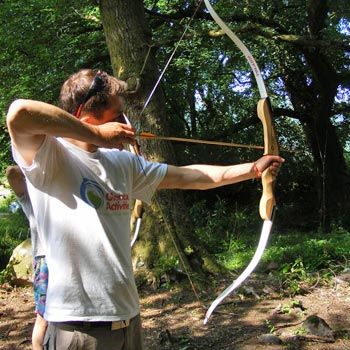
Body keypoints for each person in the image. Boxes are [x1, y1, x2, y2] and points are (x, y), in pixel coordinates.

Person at [6, 69, 284, 350]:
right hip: (77, 327)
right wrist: (97, 135)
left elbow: (191, 177)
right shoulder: (49, 158)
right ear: (90, 120)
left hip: (129, 320)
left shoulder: (121, 163)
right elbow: (19, 111)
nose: (125, 124)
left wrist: (252, 169)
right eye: (117, 117)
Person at [6, 165, 48, 350]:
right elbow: (11, 173)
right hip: (46, 261)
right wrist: (35, 168)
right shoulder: (31, 197)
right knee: (44, 318)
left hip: (71, 260)